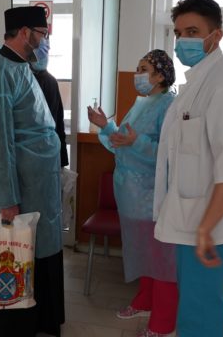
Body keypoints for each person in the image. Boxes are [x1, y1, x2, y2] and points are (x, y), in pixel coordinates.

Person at [153, 0, 223, 336]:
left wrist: (205, 229)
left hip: (206, 226)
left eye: (193, 32)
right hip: (192, 220)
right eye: (178, 32)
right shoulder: (198, 82)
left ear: (216, 35)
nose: (183, 41)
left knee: (200, 313)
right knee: (193, 307)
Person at [0, 6, 64, 337]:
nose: (45, 41)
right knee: (10, 258)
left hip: (36, 185)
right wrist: (7, 199)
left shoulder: (21, 66)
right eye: (43, 34)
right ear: (25, 32)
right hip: (17, 189)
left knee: (33, 258)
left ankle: (36, 324)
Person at [87, 49, 178, 337]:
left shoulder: (170, 106)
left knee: (162, 260)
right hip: (131, 196)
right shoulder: (142, 103)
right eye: (137, 69)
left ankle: (163, 323)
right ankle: (145, 301)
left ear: (160, 76)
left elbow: (168, 154)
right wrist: (106, 126)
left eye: (143, 70)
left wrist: (136, 141)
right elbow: (120, 143)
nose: (137, 75)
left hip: (153, 196)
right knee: (142, 253)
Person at [29, 38, 68, 167]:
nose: (42, 57)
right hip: (30, 152)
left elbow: (59, 119)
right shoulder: (24, 79)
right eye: (39, 54)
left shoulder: (51, 82)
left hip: (47, 149)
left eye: (44, 53)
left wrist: (62, 160)